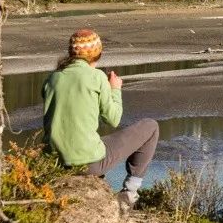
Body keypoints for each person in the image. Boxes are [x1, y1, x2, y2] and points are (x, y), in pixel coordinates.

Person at [42, 29, 159, 206]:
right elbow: (113, 119)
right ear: (98, 54)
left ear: (70, 53)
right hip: (88, 163)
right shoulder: (97, 77)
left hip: (54, 162)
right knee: (151, 127)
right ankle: (130, 192)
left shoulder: (52, 79)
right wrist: (115, 89)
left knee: (91, 139)